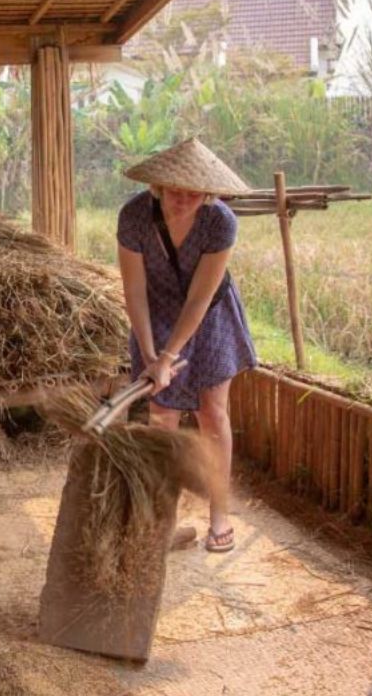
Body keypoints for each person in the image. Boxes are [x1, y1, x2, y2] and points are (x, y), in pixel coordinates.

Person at [116, 138, 257, 553]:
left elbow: (198, 299)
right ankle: (165, 520)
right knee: (161, 416)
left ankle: (219, 514)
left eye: (193, 193)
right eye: (174, 190)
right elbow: (135, 290)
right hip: (154, 312)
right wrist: (148, 353)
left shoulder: (220, 223)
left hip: (210, 315)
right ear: (157, 186)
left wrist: (168, 355)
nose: (182, 200)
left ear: (208, 193)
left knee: (212, 413)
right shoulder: (134, 216)